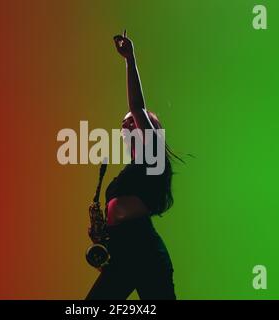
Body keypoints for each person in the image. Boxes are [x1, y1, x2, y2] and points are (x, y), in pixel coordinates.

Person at [85, 31, 182, 300]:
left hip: (145, 251)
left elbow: (138, 106)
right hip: (122, 254)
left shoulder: (154, 157)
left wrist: (130, 59)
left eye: (134, 121)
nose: (127, 122)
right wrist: (102, 236)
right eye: (123, 121)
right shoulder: (127, 172)